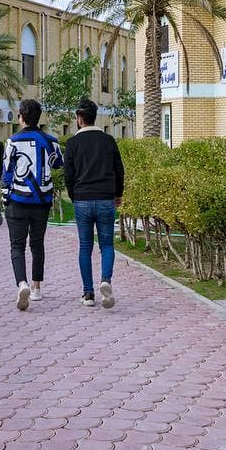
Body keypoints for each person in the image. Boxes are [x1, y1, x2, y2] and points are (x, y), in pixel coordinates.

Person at [2, 99, 63, 311]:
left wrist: (5, 198)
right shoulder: (51, 141)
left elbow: (7, 172)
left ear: (21, 117)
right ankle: (36, 287)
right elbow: (58, 163)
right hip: (42, 201)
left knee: (17, 246)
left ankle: (22, 283)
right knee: (37, 244)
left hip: (18, 201)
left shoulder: (12, 141)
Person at [64, 99, 125, 309]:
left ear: (79, 119)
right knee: (107, 244)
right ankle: (105, 280)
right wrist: (118, 194)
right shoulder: (108, 141)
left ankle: (88, 294)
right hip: (106, 198)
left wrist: (73, 195)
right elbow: (119, 170)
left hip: (82, 199)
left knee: (85, 246)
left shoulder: (72, 143)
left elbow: (68, 175)